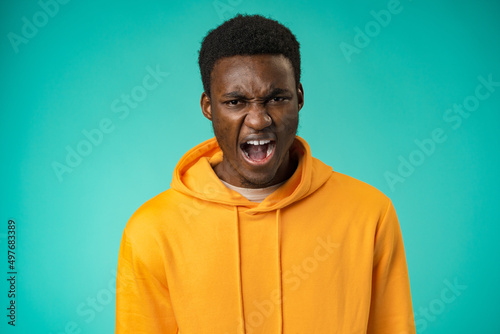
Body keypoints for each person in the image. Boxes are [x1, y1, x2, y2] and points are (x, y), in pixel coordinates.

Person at [115, 14, 416, 334]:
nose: (258, 120)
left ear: (299, 98)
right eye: (235, 101)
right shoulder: (152, 230)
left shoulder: (369, 213)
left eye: (276, 98)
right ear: (208, 107)